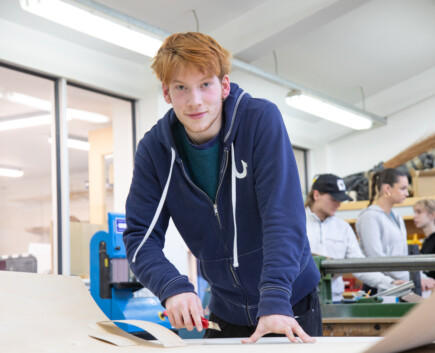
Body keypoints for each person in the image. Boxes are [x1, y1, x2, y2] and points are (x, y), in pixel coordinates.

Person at [122, 32, 321, 344]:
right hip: (225, 311)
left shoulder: (260, 121)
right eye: (181, 88)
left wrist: (275, 297)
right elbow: (139, 238)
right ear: (166, 93)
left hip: (289, 301)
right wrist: (171, 286)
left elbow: (282, 218)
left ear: (224, 86)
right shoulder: (155, 150)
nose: (195, 100)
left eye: (205, 85)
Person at [305, 174, 405, 301]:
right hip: (301, 301)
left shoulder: (343, 228)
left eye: (340, 200)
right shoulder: (296, 224)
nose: (338, 204)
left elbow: (358, 265)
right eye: (333, 199)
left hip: (334, 300)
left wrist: (389, 283)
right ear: (316, 195)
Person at [355, 168, 435, 293]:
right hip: (379, 287)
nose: (406, 193)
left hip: (401, 286)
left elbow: (403, 257)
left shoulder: (397, 217)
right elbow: (377, 259)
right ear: (387, 189)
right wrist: (415, 279)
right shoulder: (369, 216)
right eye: (403, 188)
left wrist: (422, 277)